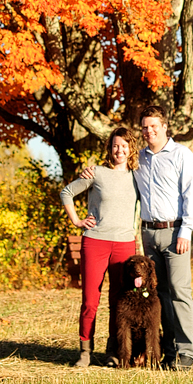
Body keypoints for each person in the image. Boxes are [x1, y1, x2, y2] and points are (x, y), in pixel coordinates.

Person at [60, 125, 140, 369]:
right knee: (90, 300)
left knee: (118, 301)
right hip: (95, 242)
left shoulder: (138, 176)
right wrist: (76, 220)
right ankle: (85, 351)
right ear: (110, 148)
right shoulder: (97, 173)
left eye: (124, 146)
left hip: (125, 245)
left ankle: (113, 351)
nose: (120, 150)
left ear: (131, 149)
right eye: (116, 145)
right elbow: (66, 192)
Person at [134, 106, 193, 370]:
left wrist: (186, 230)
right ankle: (169, 351)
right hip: (148, 233)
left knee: (179, 292)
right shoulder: (139, 159)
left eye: (154, 126)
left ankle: (187, 353)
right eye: (145, 127)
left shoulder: (182, 155)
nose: (149, 131)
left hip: (175, 233)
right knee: (159, 295)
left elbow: (191, 195)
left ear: (164, 127)